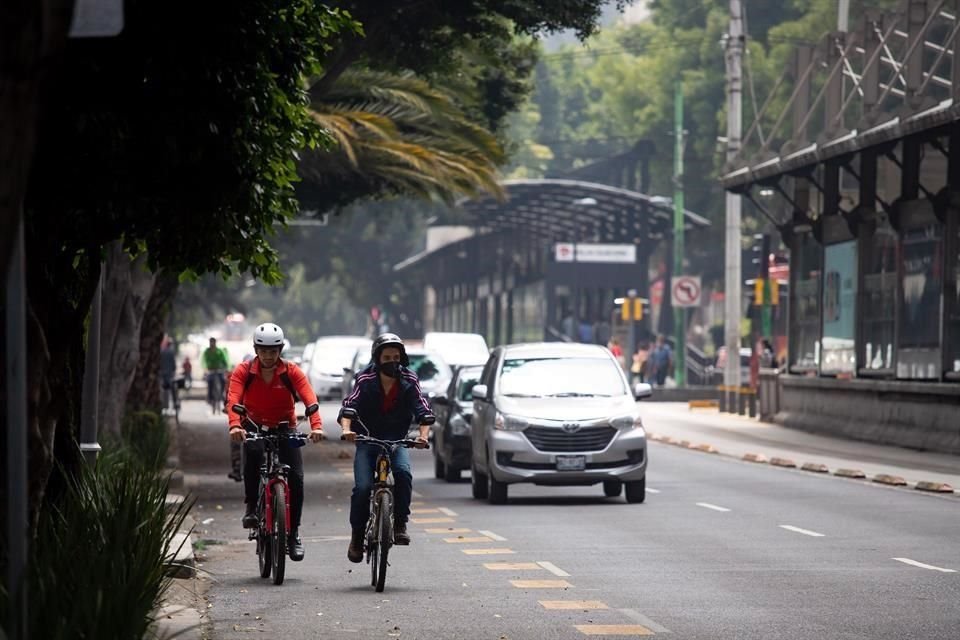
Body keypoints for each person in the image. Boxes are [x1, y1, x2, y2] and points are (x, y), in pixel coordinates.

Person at [226, 323, 323, 562]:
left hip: (285, 426)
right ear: (256, 350)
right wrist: (235, 425)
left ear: (280, 350)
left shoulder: (292, 371)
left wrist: (317, 426)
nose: (269, 355)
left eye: (273, 350)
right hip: (254, 424)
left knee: (297, 478)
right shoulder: (244, 371)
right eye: (264, 350)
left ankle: (294, 535)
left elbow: (309, 398)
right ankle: (250, 508)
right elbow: (233, 399)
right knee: (254, 454)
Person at [339, 333, 435, 563]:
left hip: (397, 440)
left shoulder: (409, 380)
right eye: (387, 357)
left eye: (396, 356)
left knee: (403, 473)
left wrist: (422, 437)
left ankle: (400, 524)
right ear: (377, 358)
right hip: (367, 439)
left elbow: (423, 412)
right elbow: (349, 408)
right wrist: (346, 430)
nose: (392, 361)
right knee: (362, 488)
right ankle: (356, 537)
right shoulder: (364, 379)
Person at [202, 337, 230, 411]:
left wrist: (226, 367)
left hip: (219, 371)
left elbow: (224, 360)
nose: (212, 344)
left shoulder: (219, 351)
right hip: (210, 371)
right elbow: (204, 361)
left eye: (213, 342)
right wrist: (205, 369)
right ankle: (210, 398)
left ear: (215, 343)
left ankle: (221, 395)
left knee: (223, 381)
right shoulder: (207, 352)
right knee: (209, 382)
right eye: (211, 342)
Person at [160, 336, 178, 415]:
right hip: (169, 375)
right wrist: (173, 371)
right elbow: (174, 365)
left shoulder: (162, 352)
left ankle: (164, 406)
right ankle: (175, 404)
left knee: (164, 391)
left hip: (162, 375)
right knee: (173, 390)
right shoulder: (171, 352)